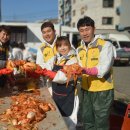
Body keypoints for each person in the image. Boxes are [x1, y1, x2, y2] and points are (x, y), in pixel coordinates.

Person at [76, 16, 115, 130]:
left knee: (101, 123)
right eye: (82, 30)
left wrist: (84, 70)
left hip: (102, 91)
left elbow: (103, 68)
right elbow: (77, 68)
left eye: (87, 29)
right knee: (87, 121)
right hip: (85, 90)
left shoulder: (105, 45)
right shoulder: (79, 49)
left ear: (94, 29)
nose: (85, 33)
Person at [37, 36, 79, 130]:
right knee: (57, 119)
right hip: (56, 93)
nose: (62, 48)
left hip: (69, 95)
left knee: (69, 123)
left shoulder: (74, 59)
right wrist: (39, 69)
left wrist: (47, 73)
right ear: (57, 48)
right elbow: (47, 66)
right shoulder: (55, 58)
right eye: (59, 46)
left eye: (65, 45)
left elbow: (64, 77)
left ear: (69, 46)